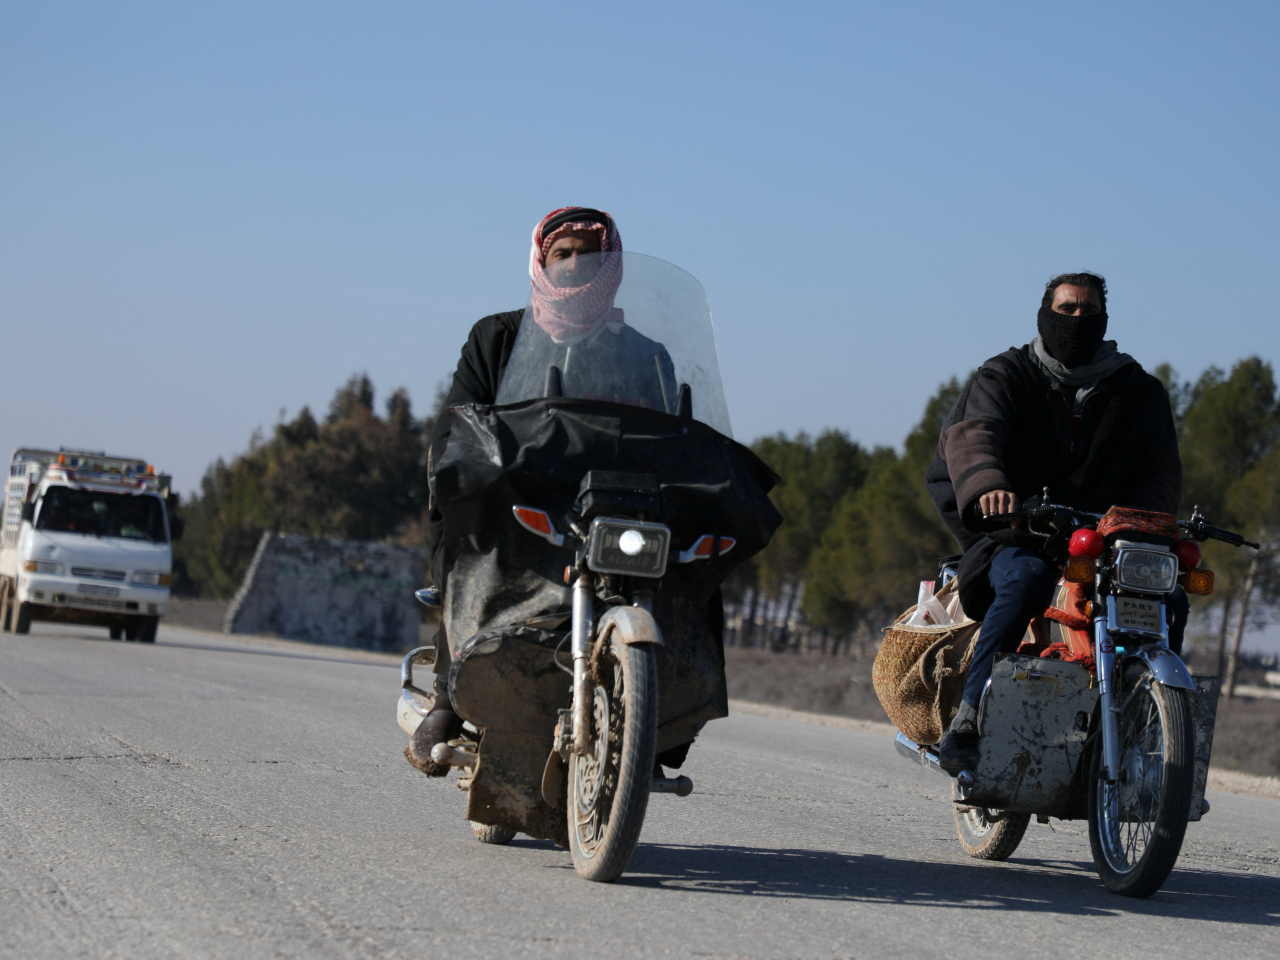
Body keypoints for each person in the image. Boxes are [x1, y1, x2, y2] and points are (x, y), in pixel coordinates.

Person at [406, 206, 679, 777]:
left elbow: (673, 439)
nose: (575, 264)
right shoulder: (498, 337)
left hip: (611, 506)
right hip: (520, 499)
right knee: (468, 526)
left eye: (590, 254)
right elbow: (457, 428)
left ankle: (662, 721)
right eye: (563, 253)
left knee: (689, 562)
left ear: (612, 266)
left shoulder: (645, 354)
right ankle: (448, 697)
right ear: (541, 262)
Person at [924, 271, 1188, 776]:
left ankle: (1152, 722)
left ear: (1104, 318)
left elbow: (1160, 469)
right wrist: (991, 488)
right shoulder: (1006, 375)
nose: (1077, 319)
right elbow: (975, 436)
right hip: (1018, 530)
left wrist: (1140, 523)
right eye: (1067, 309)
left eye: (1089, 311)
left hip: (1104, 540)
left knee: (1169, 597)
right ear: (1046, 314)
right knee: (1026, 578)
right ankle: (970, 714)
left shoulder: (1137, 389)